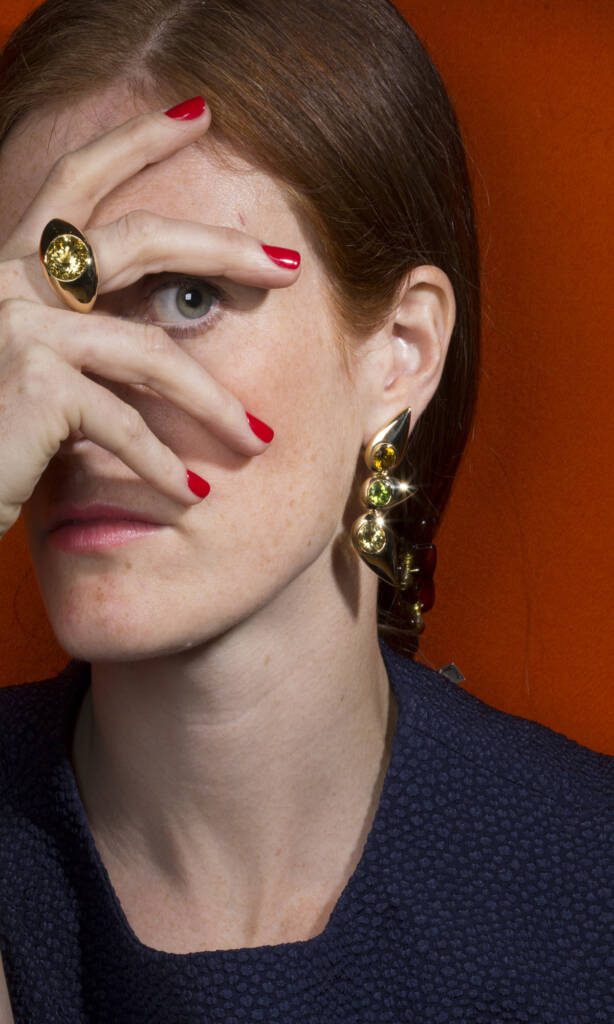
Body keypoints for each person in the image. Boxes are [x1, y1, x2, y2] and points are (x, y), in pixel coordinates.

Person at [0, 1, 611, 1021]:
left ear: (400, 351)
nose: (79, 401)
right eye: (30, 316)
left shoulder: (587, 890)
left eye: (185, 296)